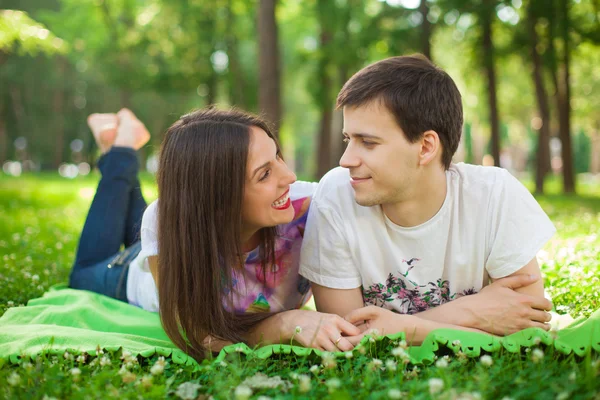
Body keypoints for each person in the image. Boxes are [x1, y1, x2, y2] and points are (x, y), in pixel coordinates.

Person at [68, 107, 368, 360]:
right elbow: (199, 337)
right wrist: (283, 324)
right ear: (218, 197)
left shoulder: (311, 205)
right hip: (131, 273)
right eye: (264, 174)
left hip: (180, 231)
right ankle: (120, 146)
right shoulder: (161, 222)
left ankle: (117, 150)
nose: (288, 176)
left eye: (278, 157)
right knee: (80, 276)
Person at [299, 55, 556, 344]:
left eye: (368, 142)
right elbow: (348, 337)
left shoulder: (493, 194)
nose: (345, 160)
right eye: (348, 139)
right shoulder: (336, 195)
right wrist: (472, 312)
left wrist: (397, 328)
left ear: (425, 147)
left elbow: (527, 323)